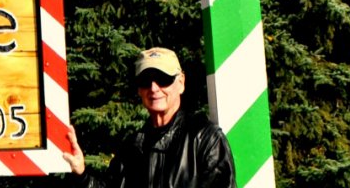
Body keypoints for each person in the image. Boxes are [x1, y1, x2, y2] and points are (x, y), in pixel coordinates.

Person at [63, 47, 236, 188]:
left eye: (163, 79)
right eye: (146, 80)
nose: (154, 88)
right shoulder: (132, 146)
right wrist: (81, 174)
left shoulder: (205, 140)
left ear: (181, 82)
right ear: (139, 89)